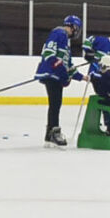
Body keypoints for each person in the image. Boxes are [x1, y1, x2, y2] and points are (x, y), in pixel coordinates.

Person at [34, 14, 81, 146]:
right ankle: (54, 132)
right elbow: (50, 55)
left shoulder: (65, 39)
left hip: (54, 74)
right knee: (55, 104)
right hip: (52, 75)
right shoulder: (60, 33)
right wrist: (62, 74)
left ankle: (50, 133)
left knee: (55, 104)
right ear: (74, 27)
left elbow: (67, 65)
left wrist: (81, 77)